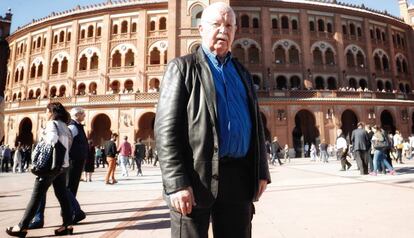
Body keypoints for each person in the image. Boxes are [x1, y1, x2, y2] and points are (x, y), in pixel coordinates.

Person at [155, 3, 271, 237]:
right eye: (216, 24)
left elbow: (256, 127)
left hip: (238, 178)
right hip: (195, 177)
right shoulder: (182, 68)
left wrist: (261, 171)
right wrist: (177, 183)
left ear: (235, 31)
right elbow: (165, 131)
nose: (223, 30)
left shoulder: (243, 73)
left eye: (229, 25)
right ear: (200, 28)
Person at [6, 102, 74, 237]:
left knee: (36, 196)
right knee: (62, 196)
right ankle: (67, 225)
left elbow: (52, 140)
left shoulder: (52, 124)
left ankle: (21, 227)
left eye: (47, 111)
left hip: (50, 167)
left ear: (52, 112)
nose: (46, 113)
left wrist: (43, 136)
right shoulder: (66, 127)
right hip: (63, 166)